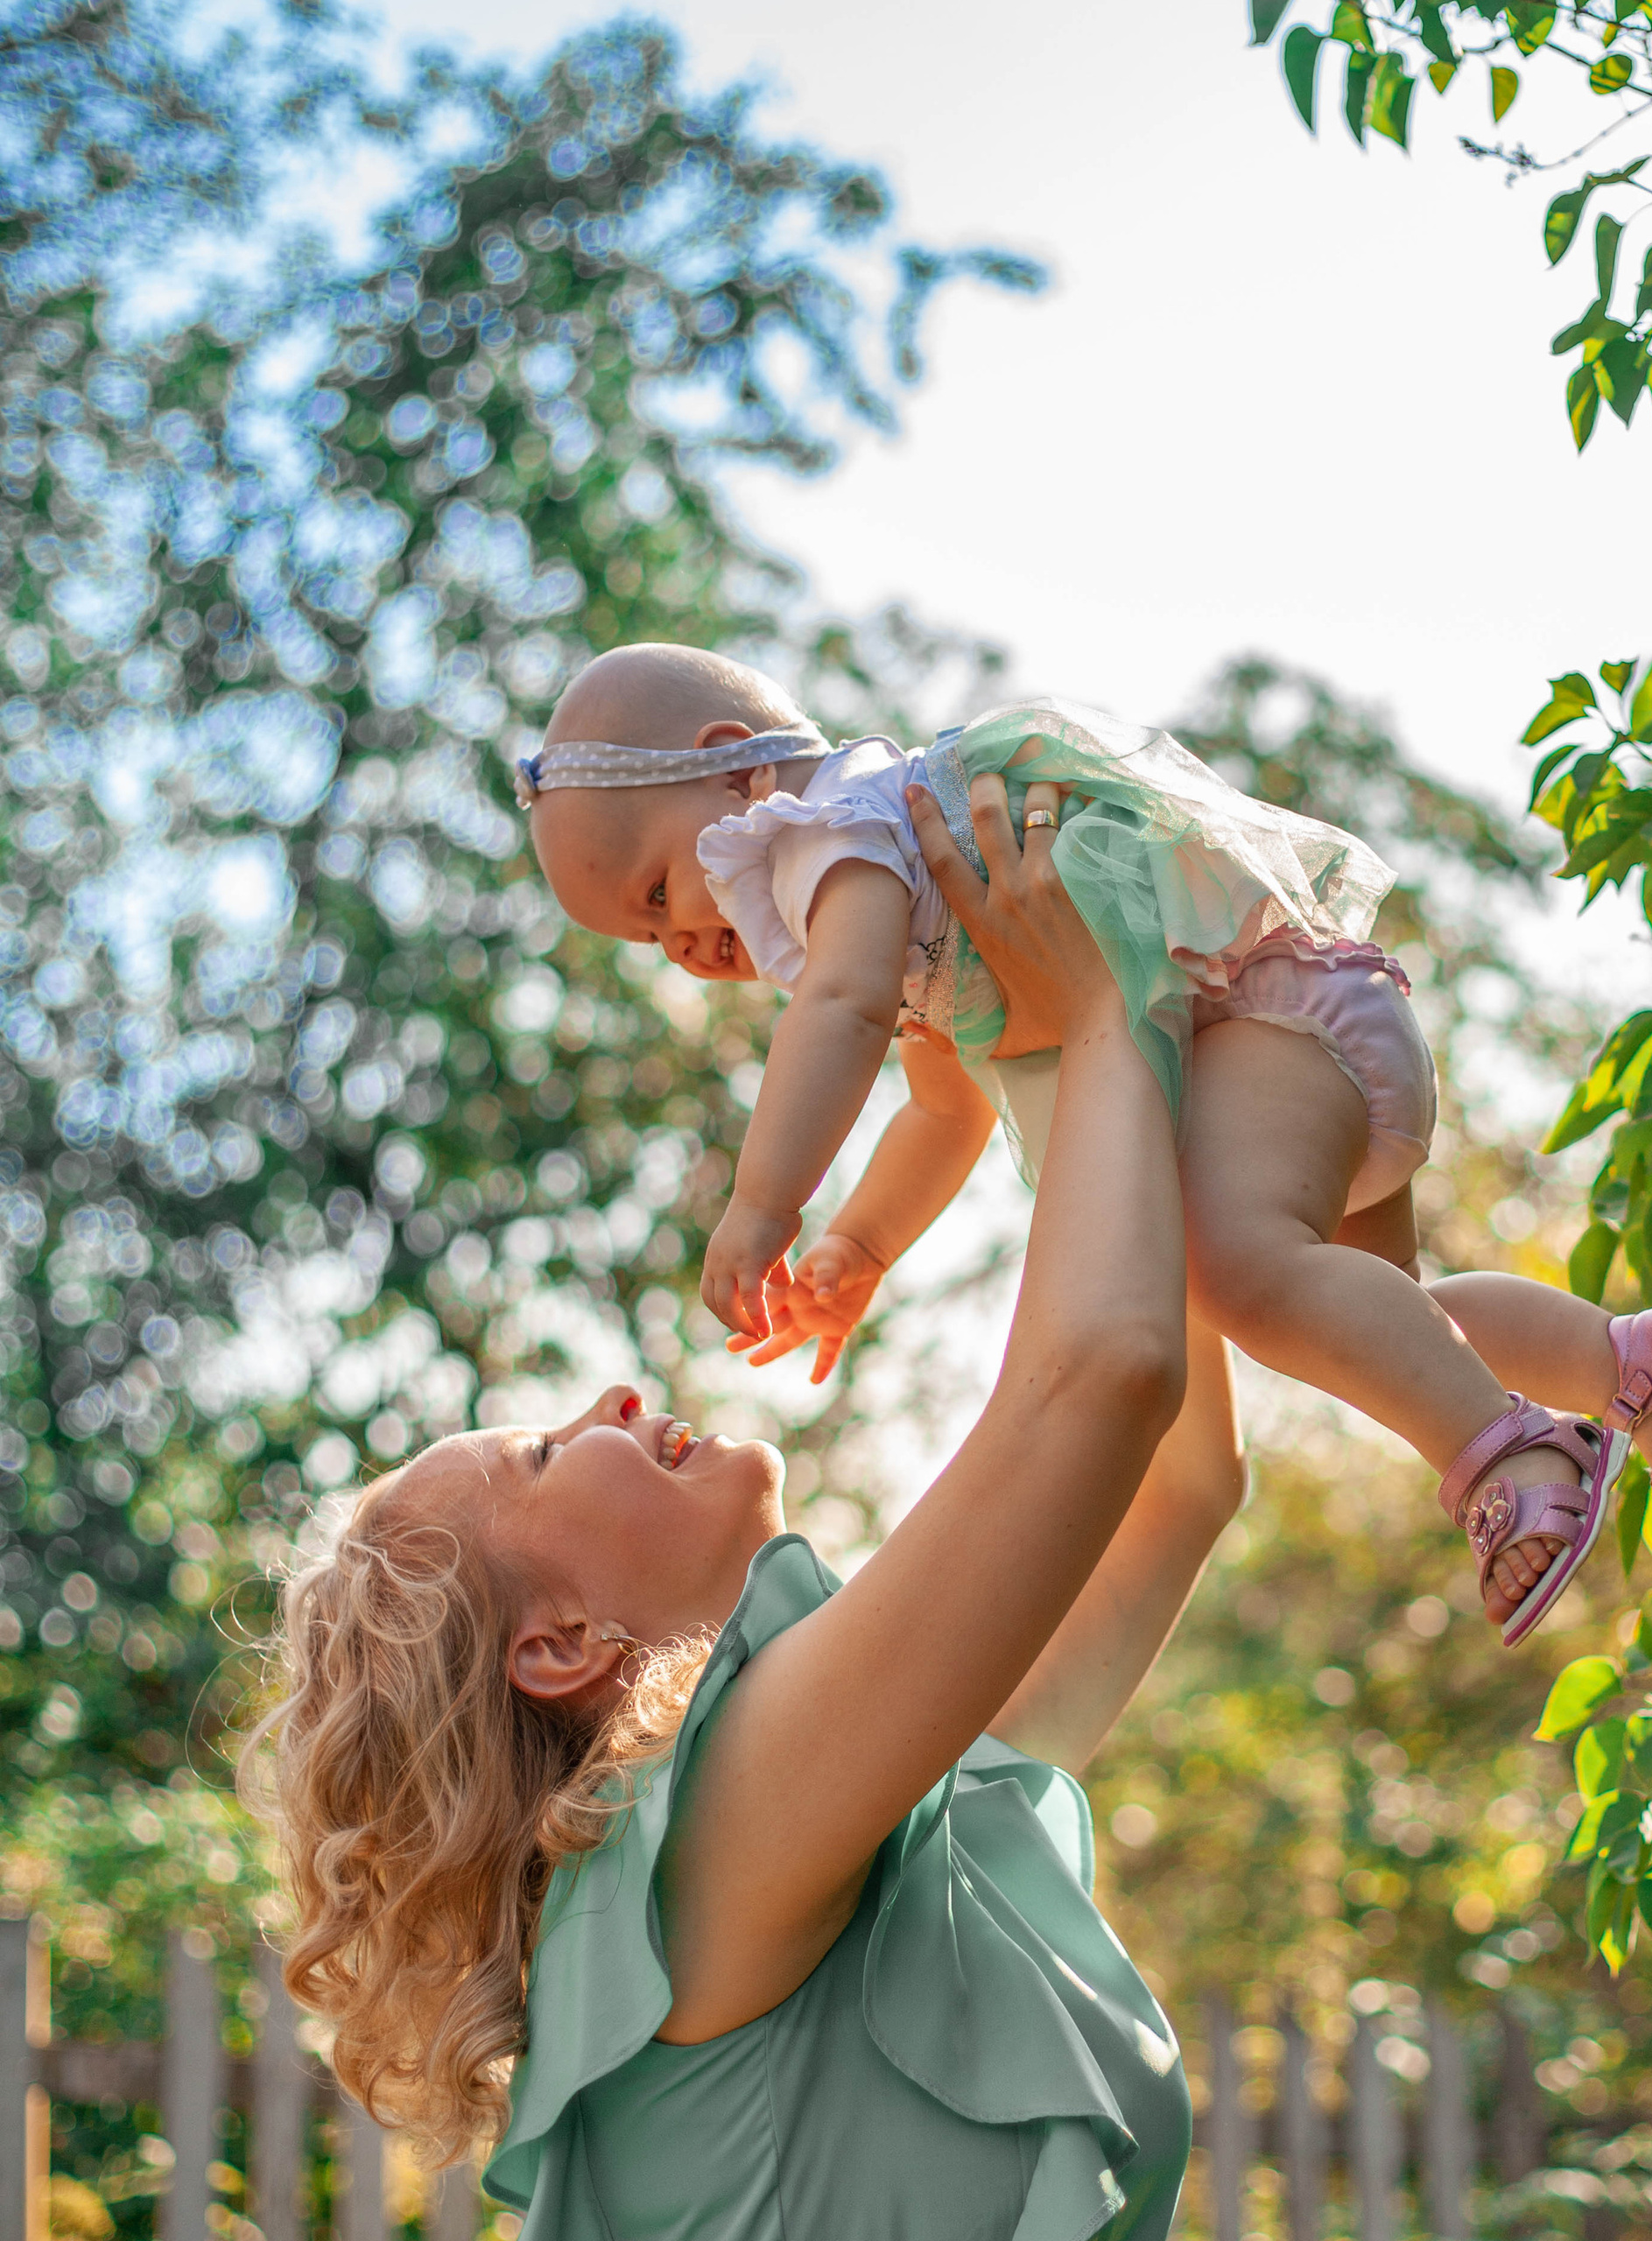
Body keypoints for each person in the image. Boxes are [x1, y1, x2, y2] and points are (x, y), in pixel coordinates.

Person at [255, 776, 1248, 2239]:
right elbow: (1100, 1380)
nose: (601, 1402)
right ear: (558, 1643)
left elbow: (1173, 1483)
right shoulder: (709, 1840)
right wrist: (1099, 1017)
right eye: (538, 1454)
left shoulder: (843, 1814)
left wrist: (1050, 1040)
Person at [522, 646, 1652, 1638]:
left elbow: (835, 1013)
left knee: (1234, 1272)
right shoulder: (891, 904)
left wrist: (765, 1207)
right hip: (1291, 1034)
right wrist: (861, 1246)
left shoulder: (832, 837)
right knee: (1376, 1313)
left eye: (653, 895)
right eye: (646, 945)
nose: (678, 946)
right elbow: (944, 1105)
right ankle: (1636, 1371)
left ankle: (1508, 1454)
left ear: (733, 770)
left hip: (1259, 1013)